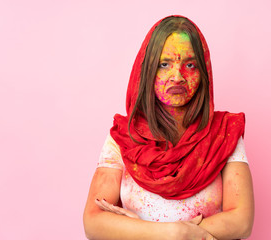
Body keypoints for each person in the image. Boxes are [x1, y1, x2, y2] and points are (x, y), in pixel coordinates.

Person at [83, 15, 254, 240]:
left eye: (190, 65)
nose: (177, 77)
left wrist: (138, 228)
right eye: (164, 65)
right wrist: (172, 232)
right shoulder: (123, 138)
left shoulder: (224, 134)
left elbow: (242, 222)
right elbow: (93, 223)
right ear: (148, 71)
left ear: (204, 73)